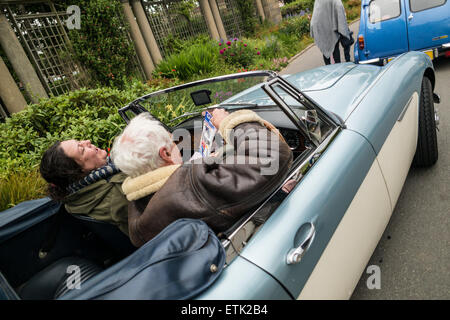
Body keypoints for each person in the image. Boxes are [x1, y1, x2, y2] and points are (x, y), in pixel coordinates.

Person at [111, 110, 293, 247]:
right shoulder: (194, 186)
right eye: (173, 142)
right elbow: (273, 157)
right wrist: (230, 123)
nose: (177, 145)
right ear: (165, 154)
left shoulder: (137, 213)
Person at [40, 139, 129, 235]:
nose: (88, 141)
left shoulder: (76, 197)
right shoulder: (120, 193)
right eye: (82, 149)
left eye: (79, 141)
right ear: (79, 172)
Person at [310, 0, 352, 65]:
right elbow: (339, 6)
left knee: (325, 50)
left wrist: (313, 28)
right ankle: (339, 67)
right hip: (332, 28)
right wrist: (341, 22)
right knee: (336, 50)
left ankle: (328, 68)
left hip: (321, 28)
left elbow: (315, 15)